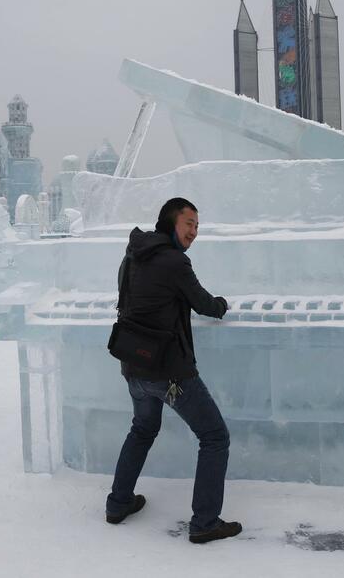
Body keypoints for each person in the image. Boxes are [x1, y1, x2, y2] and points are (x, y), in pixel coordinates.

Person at [105, 197, 242, 544]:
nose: (194, 231)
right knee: (215, 437)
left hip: (132, 365)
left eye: (197, 225)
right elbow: (206, 305)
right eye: (189, 224)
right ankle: (205, 522)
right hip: (168, 373)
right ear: (170, 223)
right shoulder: (174, 262)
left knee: (142, 428)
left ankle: (119, 502)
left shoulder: (133, 255)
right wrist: (225, 304)